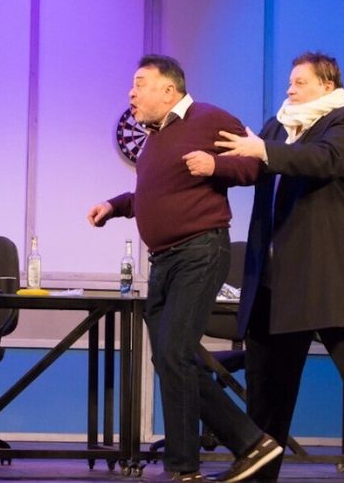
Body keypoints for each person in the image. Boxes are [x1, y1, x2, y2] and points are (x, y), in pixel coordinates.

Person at [87, 55, 281, 483]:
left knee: (175, 354)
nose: (131, 93)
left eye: (140, 83)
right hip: (164, 262)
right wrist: (114, 206)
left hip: (200, 251)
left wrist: (216, 165)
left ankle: (188, 467)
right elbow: (153, 196)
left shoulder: (208, 118)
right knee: (172, 359)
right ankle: (248, 445)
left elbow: (256, 164)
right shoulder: (155, 140)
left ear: (169, 90)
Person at [214, 52, 344, 482]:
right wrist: (212, 162)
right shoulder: (278, 127)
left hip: (332, 277)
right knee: (267, 392)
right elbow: (250, 164)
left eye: (300, 82)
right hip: (277, 282)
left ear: (327, 85)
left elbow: (323, 160)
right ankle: (259, 477)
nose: (289, 89)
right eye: (289, 82)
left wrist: (263, 150)